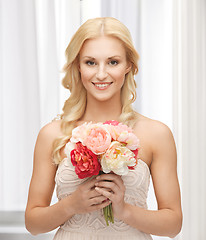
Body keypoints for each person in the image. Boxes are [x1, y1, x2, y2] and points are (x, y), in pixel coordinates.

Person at [25, 17, 182, 240]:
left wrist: (125, 211)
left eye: (113, 62)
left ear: (129, 65)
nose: (101, 74)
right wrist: (71, 205)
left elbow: (173, 225)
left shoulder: (156, 134)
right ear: (78, 66)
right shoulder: (52, 134)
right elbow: (33, 224)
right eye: (90, 62)